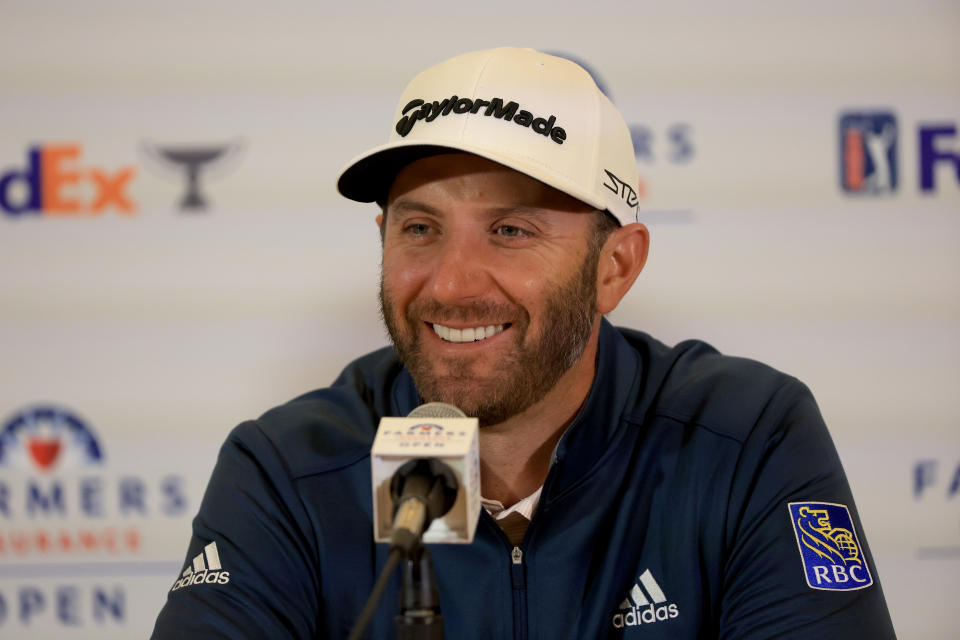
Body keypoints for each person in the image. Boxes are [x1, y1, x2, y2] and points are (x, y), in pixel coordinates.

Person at [152, 47, 896, 639]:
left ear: (615, 267)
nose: (450, 284)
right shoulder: (290, 469)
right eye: (420, 228)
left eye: (511, 231)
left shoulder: (745, 438)